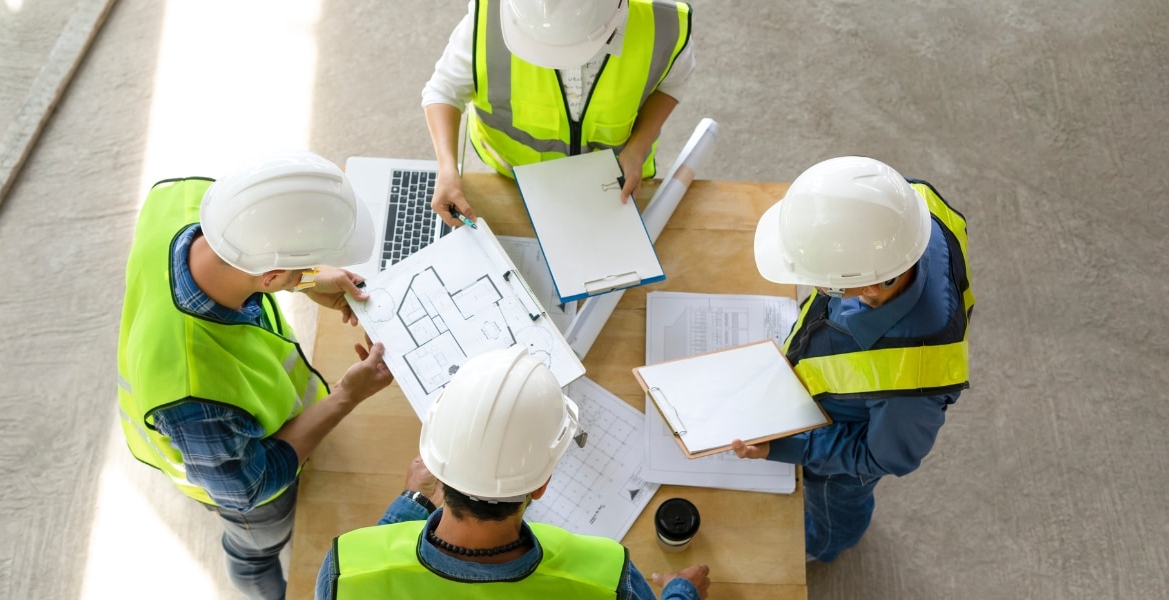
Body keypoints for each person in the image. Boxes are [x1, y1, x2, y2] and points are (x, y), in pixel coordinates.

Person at [116, 150, 394, 599]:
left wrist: (307, 280)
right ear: (270, 276)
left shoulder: (193, 202)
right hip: (239, 481)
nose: (314, 271)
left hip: (221, 408)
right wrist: (345, 395)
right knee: (255, 551)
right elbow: (249, 488)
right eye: (304, 267)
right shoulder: (194, 395)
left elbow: (249, 263)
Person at [315, 346, 710, 599]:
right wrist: (682, 592)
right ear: (541, 485)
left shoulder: (346, 569)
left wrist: (412, 503)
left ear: (436, 461)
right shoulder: (605, 575)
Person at [732, 156, 974, 563]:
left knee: (834, 510)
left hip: (837, 459)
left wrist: (787, 444)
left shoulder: (912, 377)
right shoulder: (907, 209)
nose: (815, 287)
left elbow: (883, 457)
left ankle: (825, 546)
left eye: (823, 281)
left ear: (871, 284)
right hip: (833, 379)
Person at [422, 0, 695, 227]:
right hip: (512, 178)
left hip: (611, 186)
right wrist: (447, 169)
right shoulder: (488, 18)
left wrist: (638, 148)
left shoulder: (664, 26)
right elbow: (444, 90)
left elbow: (673, 82)